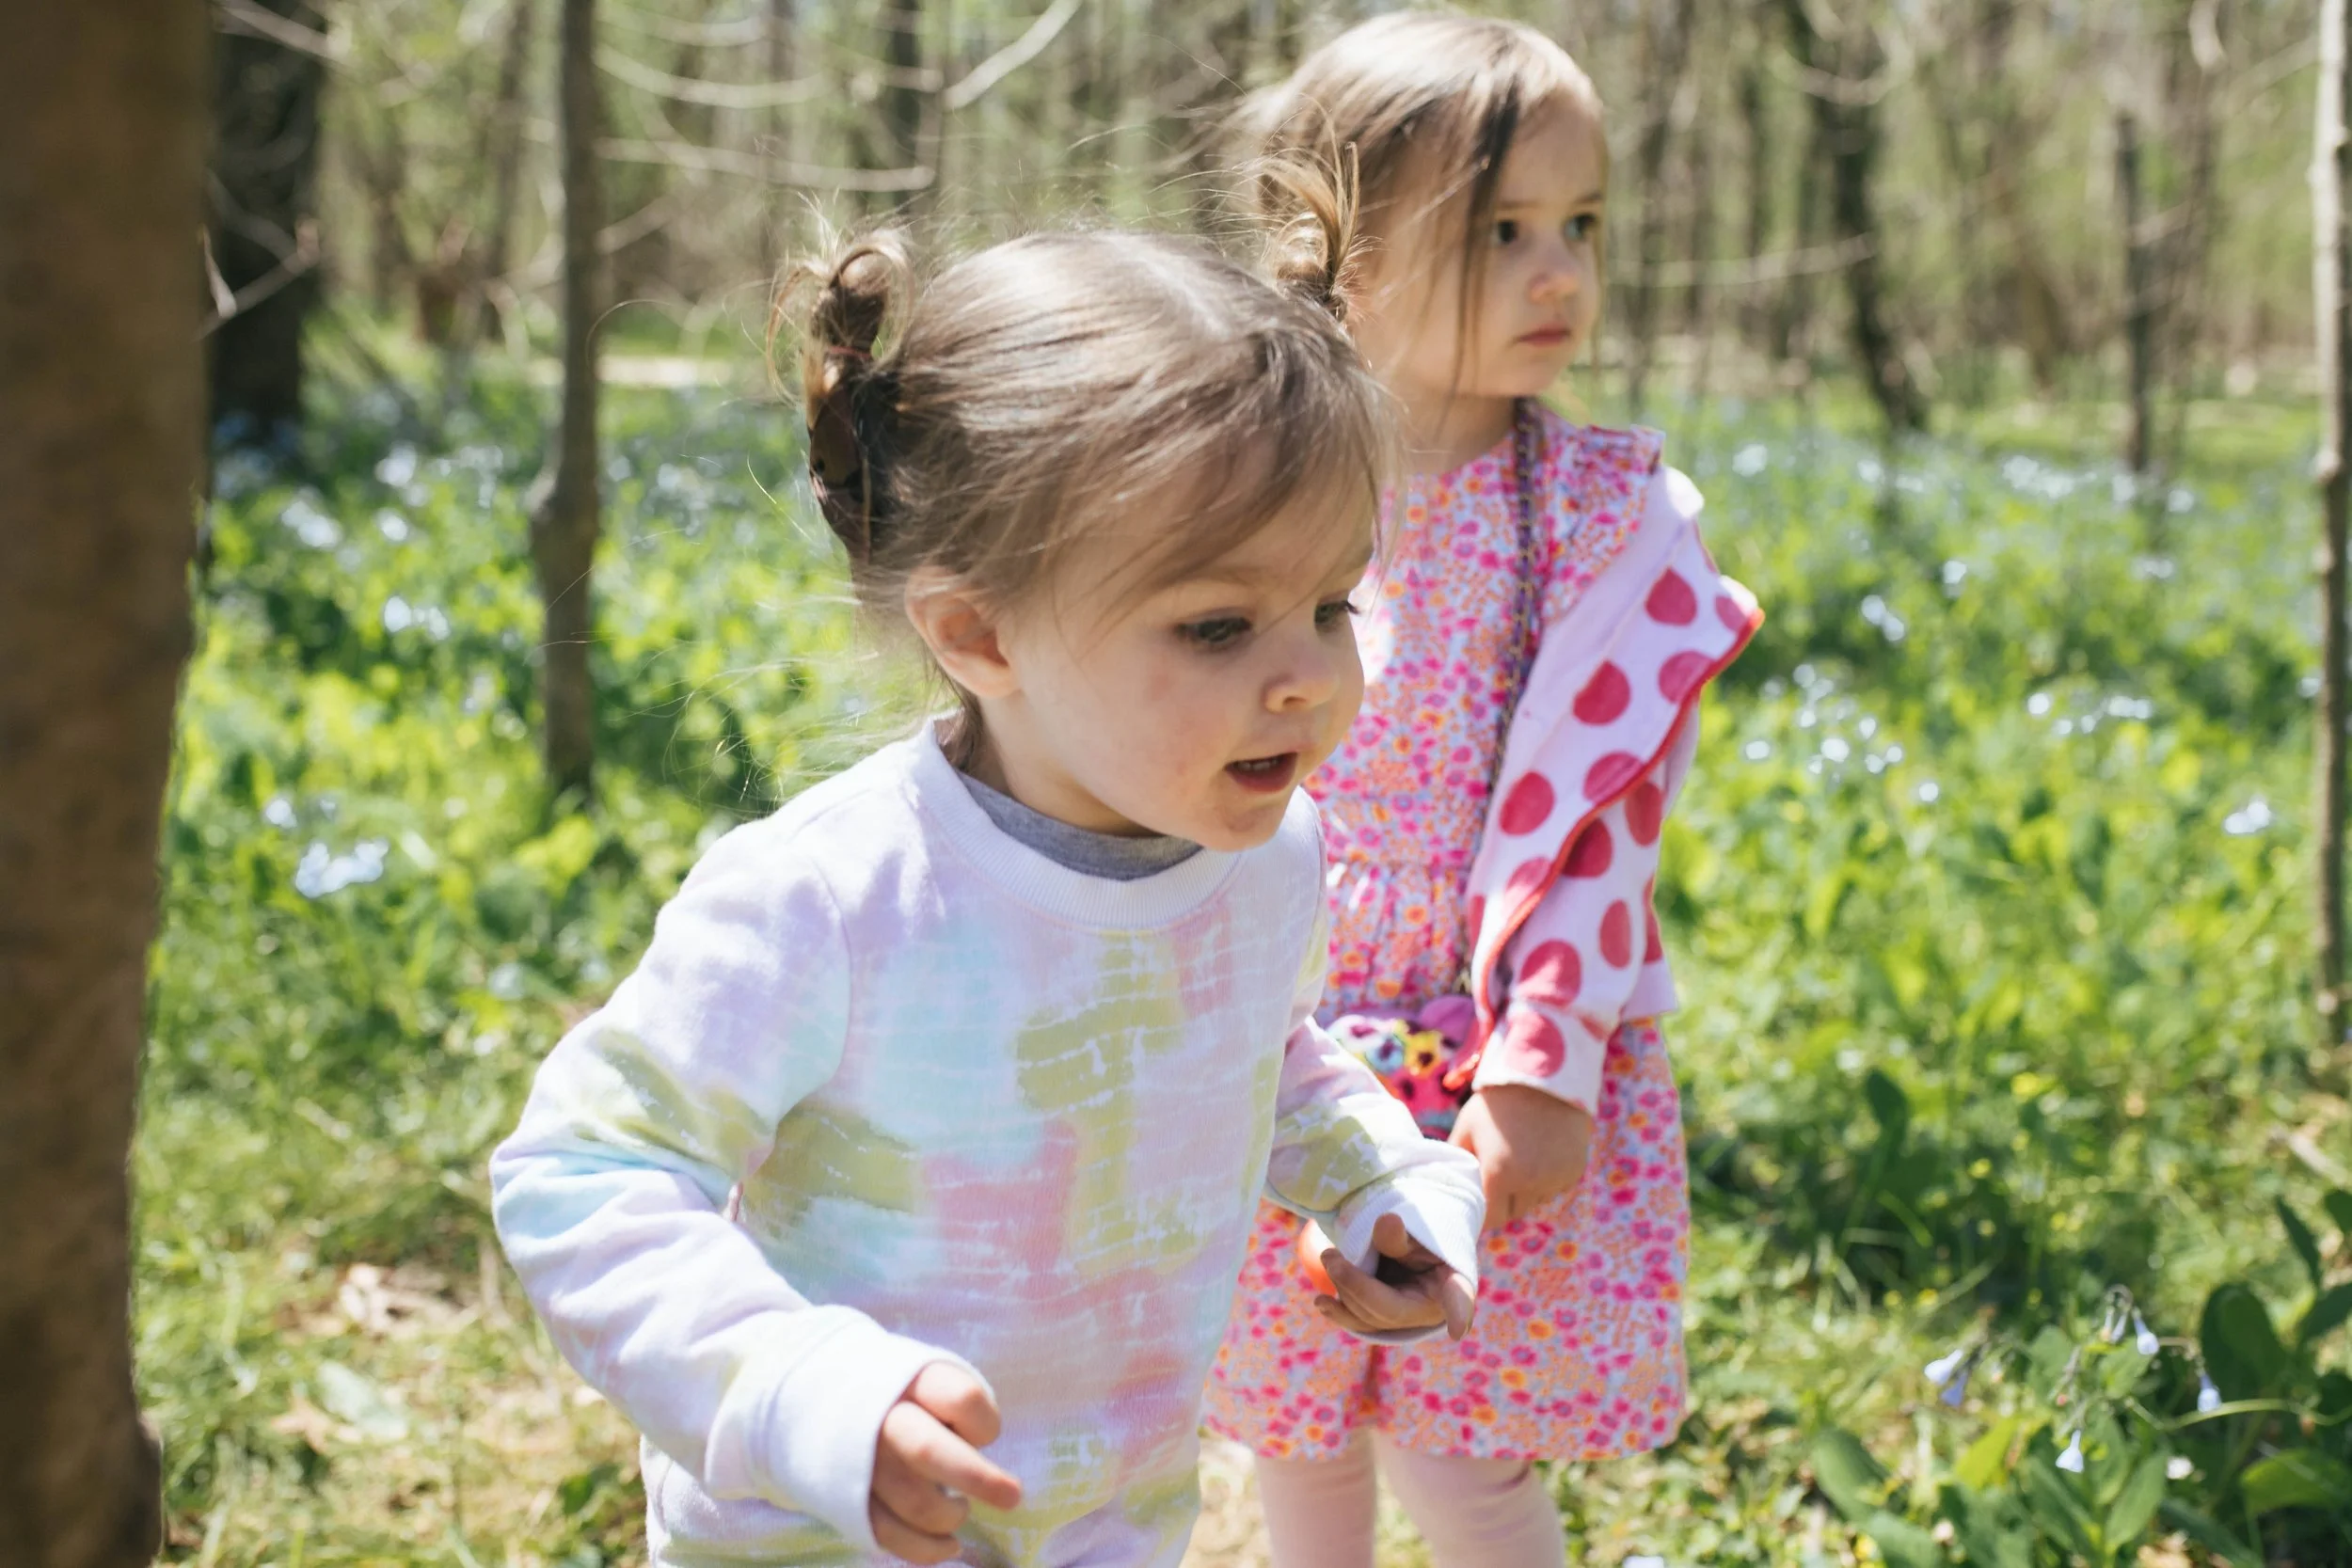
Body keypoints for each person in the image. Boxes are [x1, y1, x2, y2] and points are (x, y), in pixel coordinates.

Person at [488, 186, 1488, 1568]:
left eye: (1332, 604)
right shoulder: (833, 900)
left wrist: (1376, 1180)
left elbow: (1265, 1055)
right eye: (1216, 623)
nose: (1310, 674)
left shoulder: (1268, 863)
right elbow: (579, 1173)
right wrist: (797, 1387)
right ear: (978, 634)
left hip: (1107, 1525)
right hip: (823, 1535)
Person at [1202, 17, 1762, 1568]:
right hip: (1289, 1029)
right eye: (1503, 232)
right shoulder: (1253, 486)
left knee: (1463, 1454)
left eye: (1581, 227)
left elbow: (1610, 818)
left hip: (1496, 1038)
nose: (1562, 275)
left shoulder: (1606, 513)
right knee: (1293, 1425)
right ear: (1342, 245)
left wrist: (1553, 1052)